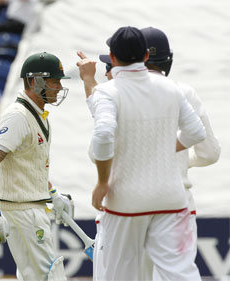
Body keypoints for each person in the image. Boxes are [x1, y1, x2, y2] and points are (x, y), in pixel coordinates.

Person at [76, 26, 221, 281]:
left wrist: (101, 182)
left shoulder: (108, 92)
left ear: (112, 58)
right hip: (172, 200)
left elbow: (103, 135)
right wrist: (164, 150)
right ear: (143, 55)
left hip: (126, 201)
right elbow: (198, 136)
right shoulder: (174, 89)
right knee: (181, 275)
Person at [0, 52, 74, 281]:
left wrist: (52, 194)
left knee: (32, 276)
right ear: (35, 81)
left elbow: (32, 164)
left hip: (34, 207)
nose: (59, 87)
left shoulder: (39, 114)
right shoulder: (18, 116)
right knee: (48, 276)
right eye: (55, 81)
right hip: (22, 211)